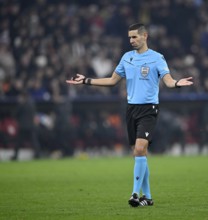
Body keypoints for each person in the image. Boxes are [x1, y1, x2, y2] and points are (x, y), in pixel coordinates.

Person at [66, 23, 193, 207]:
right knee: (139, 154)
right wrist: (86, 80)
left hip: (149, 109)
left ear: (145, 36)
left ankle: (134, 193)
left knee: (140, 149)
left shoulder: (157, 58)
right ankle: (148, 198)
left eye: (134, 37)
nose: (131, 40)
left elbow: (168, 81)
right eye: (130, 37)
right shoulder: (127, 58)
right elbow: (112, 80)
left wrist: (178, 83)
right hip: (131, 109)